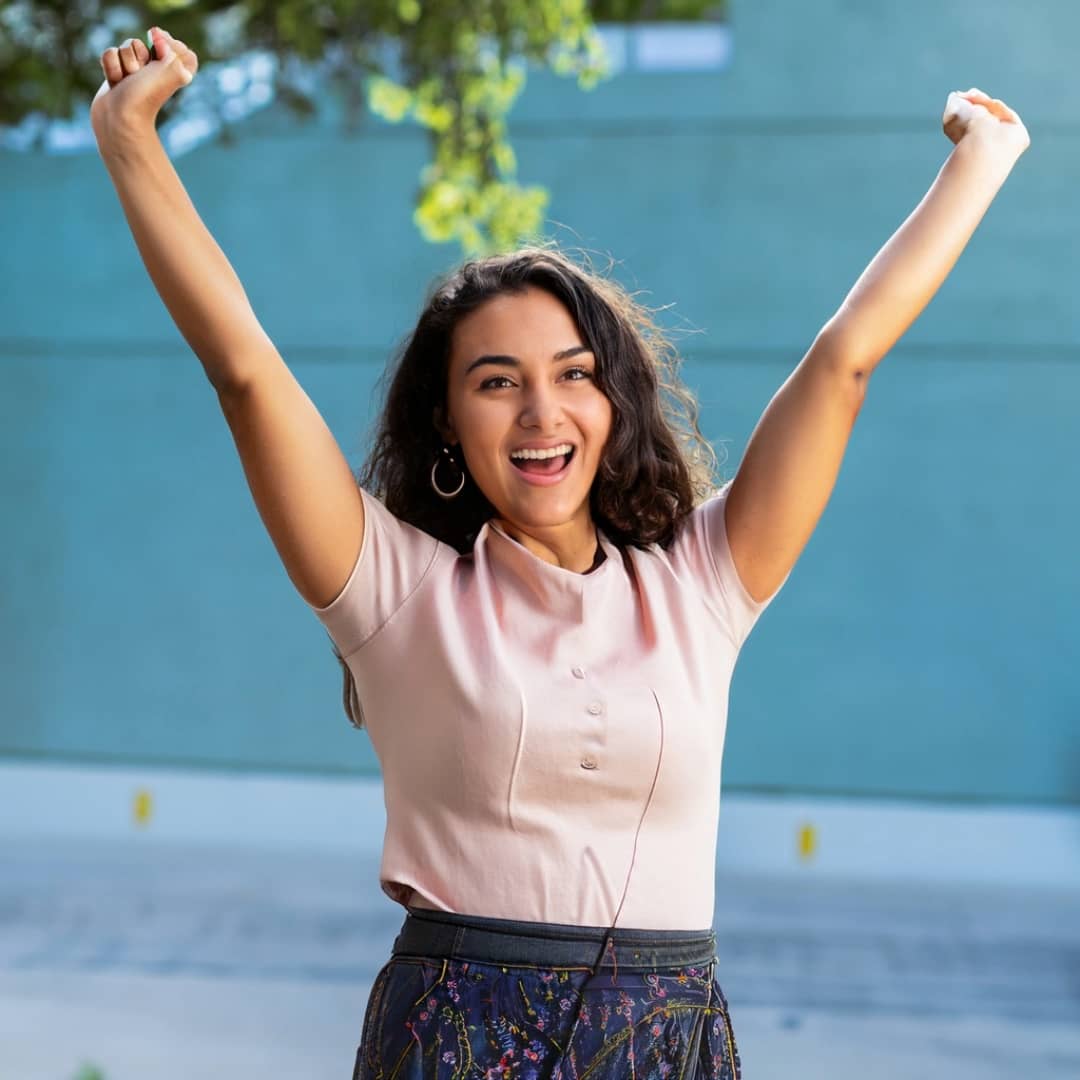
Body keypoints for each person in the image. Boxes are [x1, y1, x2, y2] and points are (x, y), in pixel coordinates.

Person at [90, 25, 1030, 1079]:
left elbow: (845, 359)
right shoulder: (393, 592)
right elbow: (246, 372)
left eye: (575, 373)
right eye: (496, 381)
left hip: (668, 1036)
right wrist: (130, 138)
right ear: (447, 421)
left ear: (613, 400)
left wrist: (980, 160)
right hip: (458, 1034)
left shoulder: (701, 583)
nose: (541, 411)